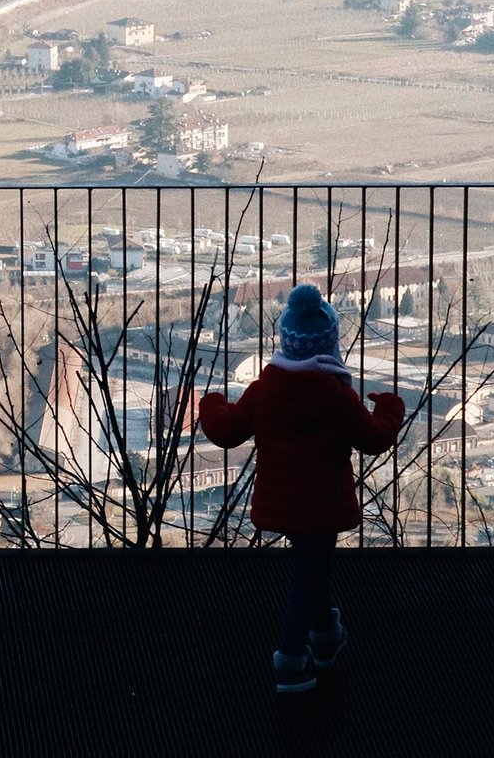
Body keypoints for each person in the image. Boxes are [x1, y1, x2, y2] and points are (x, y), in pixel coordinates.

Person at [199, 282, 405, 694]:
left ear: (286, 343)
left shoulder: (265, 392)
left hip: (282, 502)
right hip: (324, 504)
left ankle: (326, 635)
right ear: (330, 346)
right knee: (309, 572)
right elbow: (374, 439)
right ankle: (292, 660)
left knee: (313, 566)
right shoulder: (338, 396)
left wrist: (211, 403)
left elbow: (226, 431)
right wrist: (390, 409)